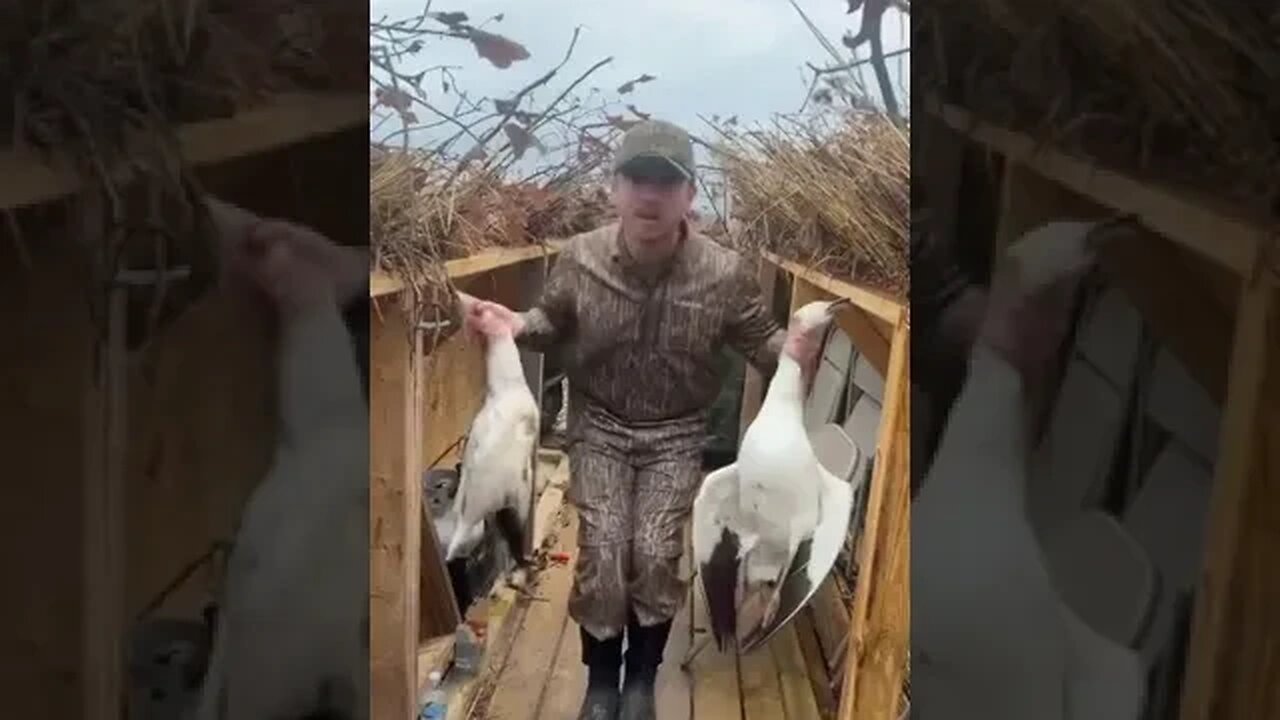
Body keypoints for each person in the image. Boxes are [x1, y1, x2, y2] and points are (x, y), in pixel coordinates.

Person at [459, 119, 785, 720]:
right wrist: (511, 324)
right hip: (601, 425)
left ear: (690, 194)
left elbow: (765, 343)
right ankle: (602, 685)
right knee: (606, 552)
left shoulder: (724, 272)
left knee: (656, 552)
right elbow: (547, 324)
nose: (650, 195)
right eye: (637, 179)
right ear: (615, 188)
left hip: (677, 430)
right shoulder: (580, 259)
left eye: (667, 181)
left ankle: (642, 682)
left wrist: (801, 349)